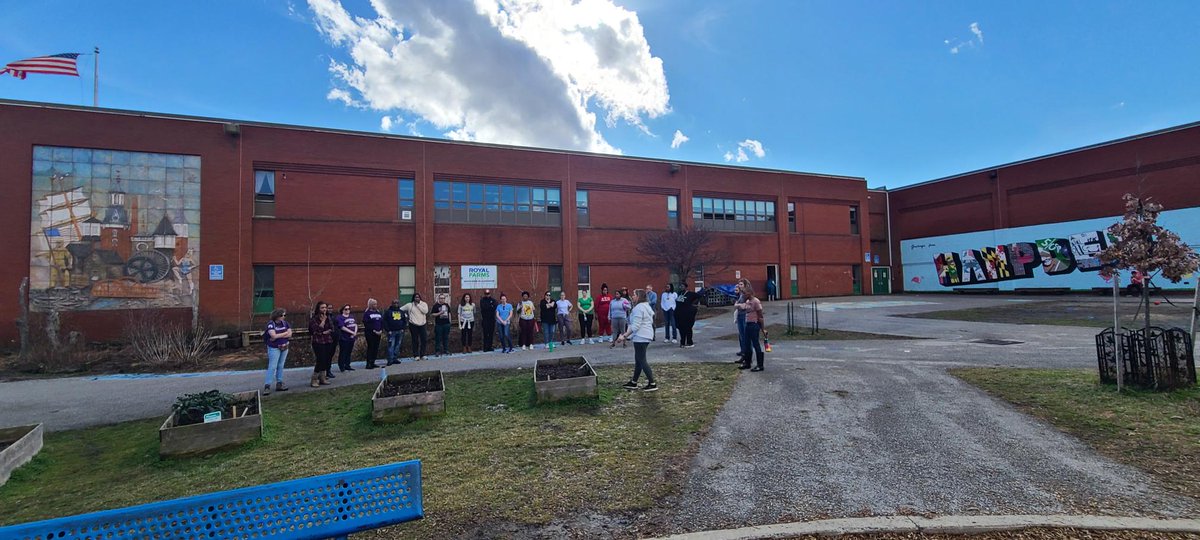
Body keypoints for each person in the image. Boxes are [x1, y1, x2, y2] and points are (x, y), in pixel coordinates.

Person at [617, 290, 658, 392]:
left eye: (634, 294)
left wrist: (624, 336)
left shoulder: (639, 308)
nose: (632, 296)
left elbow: (636, 325)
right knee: (638, 360)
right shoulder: (645, 306)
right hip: (645, 335)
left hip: (641, 336)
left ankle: (652, 383)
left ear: (639, 296)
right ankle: (634, 382)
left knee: (642, 360)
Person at [263, 308, 292, 395]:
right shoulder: (271, 324)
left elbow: (290, 334)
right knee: (272, 366)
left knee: (281, 365)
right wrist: (284, 334)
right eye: (282, 315)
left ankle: (279, 383)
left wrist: (279, 335)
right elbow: (273, 335)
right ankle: (267, 386)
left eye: (284, 315)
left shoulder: (285, 323)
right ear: (277, 316)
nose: (284, 317)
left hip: (284, 346)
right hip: (274, 348)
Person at [736, 284, 766, 372]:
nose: (743, 295)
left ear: (750, 293)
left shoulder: (756, 301)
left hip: (754, 325)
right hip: (747, 324)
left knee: (756, 344)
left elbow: (760, 316)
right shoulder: (748, 301)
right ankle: (747, 363)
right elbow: (742, 307)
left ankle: (760, 365)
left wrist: (762, 328)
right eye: (742, 293)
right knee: (746, 344)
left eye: (745, 293)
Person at [308, 301, 335, 387]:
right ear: (318, 309)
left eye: (325, 308)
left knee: (326, 359)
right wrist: (323, 321)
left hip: (328, 340)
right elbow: (316, 331)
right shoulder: (314, 319)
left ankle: (322, 377)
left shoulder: (328, 317)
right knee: (320, 359)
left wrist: (326, 331)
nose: (324, 309)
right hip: (318, 342)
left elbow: (332, 328)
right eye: (322, 308)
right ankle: (314, 379)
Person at [401, 293, 430, 361]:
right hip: (413, 324)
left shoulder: (424, 304)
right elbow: (400, 310)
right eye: (415, 297)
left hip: (422, 324)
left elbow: (425, 311)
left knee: (424, 339)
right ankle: (416, 355)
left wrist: (418, 305)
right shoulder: (409, 305)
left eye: (418, 297)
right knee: (415, 340)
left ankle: (422, 354)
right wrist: (406, 315)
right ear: (413, 298)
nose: (417, 298)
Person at [676, 281, 701, 348]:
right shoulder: (679, 293)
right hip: (680, 315)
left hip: (688, 315)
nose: (681, 287)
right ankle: (682, 342)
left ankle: (690, 342)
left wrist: (695, 305)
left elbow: (699, 296)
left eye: (682, 286)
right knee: (681, 329)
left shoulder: (690, 294)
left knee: (688, 328)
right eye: (680, 286)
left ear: (685, 287)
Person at [335, 304, 358, 372]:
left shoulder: (351, 316)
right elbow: (342, 327)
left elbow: (355, 325)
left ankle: (347, 365)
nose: (348, 310)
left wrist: (355, 333)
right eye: (346, 309)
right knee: (343, 352)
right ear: (342, 310)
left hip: (352, 337)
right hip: (344, 338)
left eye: (349, 309)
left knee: (349, 352)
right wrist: (351, 332)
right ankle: (342, 366)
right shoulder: (340, 317)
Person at [362, 298, 384, 369]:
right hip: (370, 333)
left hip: (378, 333)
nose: (376, 305)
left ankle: (373, 362)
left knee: (376, 348)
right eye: (374, 304)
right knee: (371, 347)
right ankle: (368, 363)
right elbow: (366, 324)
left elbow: (381, 322)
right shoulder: (367, 313)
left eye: (376, 304)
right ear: (371, 305)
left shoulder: (378, 313)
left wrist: (380, 330)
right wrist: (374, 331)